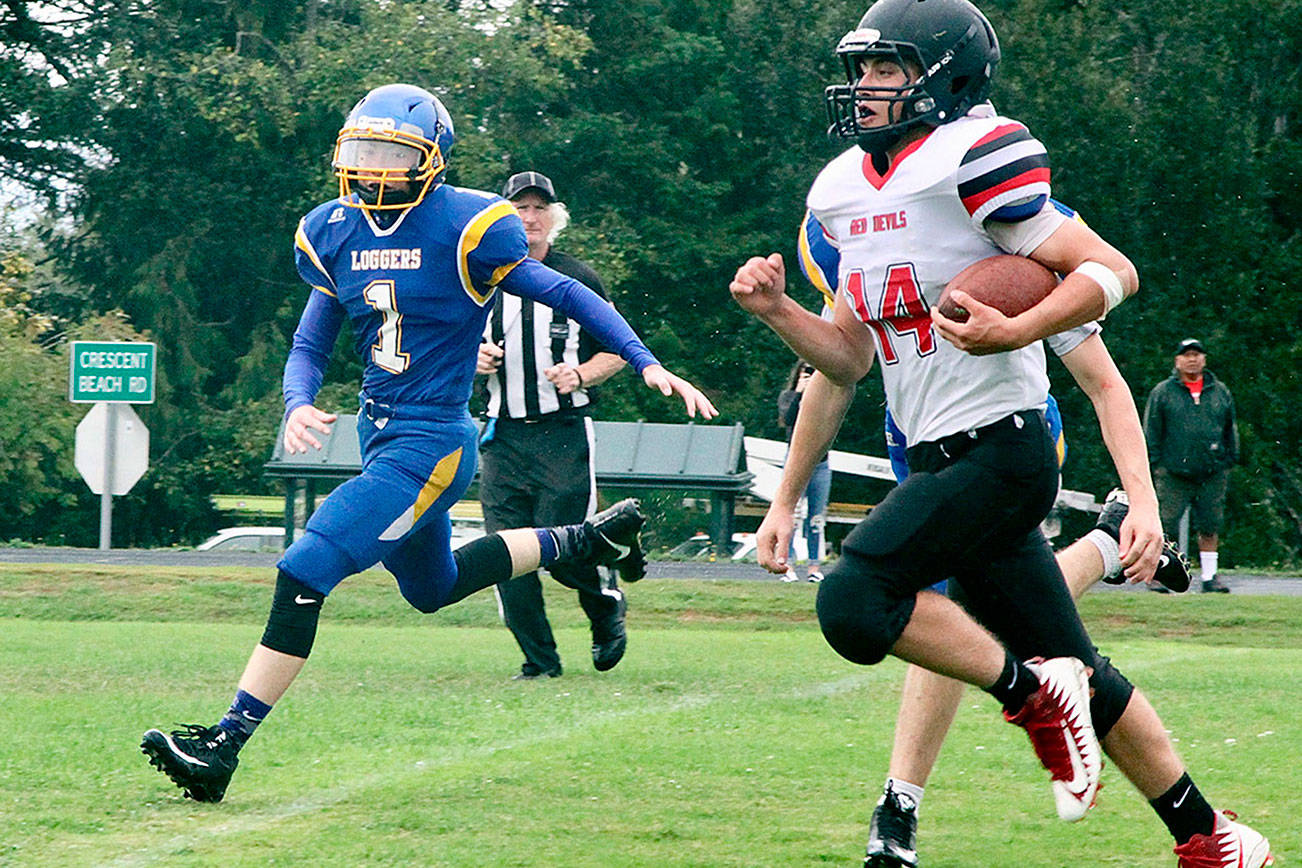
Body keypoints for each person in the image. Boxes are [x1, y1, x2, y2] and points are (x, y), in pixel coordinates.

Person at [728, 2, 1271, 865]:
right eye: (862, 68)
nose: (865, 86)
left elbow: (1111, 271)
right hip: (938, 456)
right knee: (1080, 666)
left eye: (886, 68)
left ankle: (1028, 697)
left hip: (1006, 449)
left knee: (854, 599)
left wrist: (1022, 333)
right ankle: (1211, 836)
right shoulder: (836, 191)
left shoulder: (979, 161)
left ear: (946, 75)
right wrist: (777, 313)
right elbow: (847, 360)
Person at [140, 83, 716, 803]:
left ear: (432, 158)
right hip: (382, 437)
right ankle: (585, 540)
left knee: (303, 569)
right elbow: (309, 342)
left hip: (434, 441)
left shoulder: (470, 225)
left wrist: (643, 358)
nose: (374, 168)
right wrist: (297, 401)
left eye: (392, 153)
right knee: (432, 587)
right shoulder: (334, 229)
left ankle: (224, 744)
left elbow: (565, 294)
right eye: (365, 151)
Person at [477, 170, 630, 679]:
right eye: (520, 208)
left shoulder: (578, 278)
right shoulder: (478, 280)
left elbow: (619, 348)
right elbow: (440, 345)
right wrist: (471, 357)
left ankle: (605, 604)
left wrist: (581, 372)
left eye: (539, 208)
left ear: (554, 217)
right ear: (502, 218)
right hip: (502, 435)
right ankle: (539, 663)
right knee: (505, 556)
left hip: (562, 434)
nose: (530, 217)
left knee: (564, 550)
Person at [1144, 338, 1239, 594]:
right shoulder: (1163, 392)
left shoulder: (1219, 391)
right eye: (1186, 355)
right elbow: (1152, 431)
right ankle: (1160, 575)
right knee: (1166, 525)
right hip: (1174, 473)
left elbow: (1230, 428)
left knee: (1210, 524)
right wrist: (1157, 466)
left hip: (1211, 473)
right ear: (1177, 360)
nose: (1192, 359)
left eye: (1197, 354)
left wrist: (1228, 459)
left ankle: (1210, 578)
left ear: (1204, 359)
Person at [777, 359, 831, 582]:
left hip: (821, 462)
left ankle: (813, 567)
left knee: (816, 517)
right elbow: (788, 419)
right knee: (789, 513)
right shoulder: (787, 397)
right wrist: (800, 393)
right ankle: (786, 565)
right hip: (795, 460)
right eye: (805, 372)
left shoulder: (826, 397)